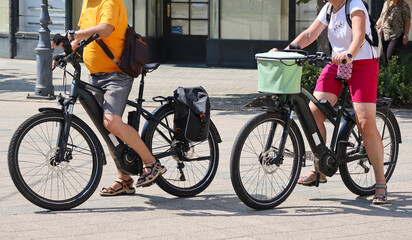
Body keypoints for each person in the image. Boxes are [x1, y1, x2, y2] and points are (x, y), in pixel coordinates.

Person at [271, 0, 387, 204]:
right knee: (313, 114)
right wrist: (284, 51)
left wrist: (349, 54)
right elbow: (308, 35)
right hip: (337, 64)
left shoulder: (354, 5)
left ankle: (380, 181)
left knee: (365, 123)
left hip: (362, 64)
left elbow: (359, 36)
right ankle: (320, 168)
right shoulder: (328, 9)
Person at [51, 0, 166, 196]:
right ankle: (124, 180)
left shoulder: (110, 2)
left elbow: (105, 29)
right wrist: (66, 51)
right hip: (95, 75)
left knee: (111, 122)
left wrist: (72, 34)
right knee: (106, 130)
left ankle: (151, 162)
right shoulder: (87, 3)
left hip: (117, 74)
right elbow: (83, 34)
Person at [376, 0, 411, 64]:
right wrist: (374, 28)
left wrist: (406, 34)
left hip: (397, 34)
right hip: (384, 35)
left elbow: (407, 21)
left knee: (391, 57)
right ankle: (387, 73)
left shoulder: (403, 5)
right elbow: (381, 18)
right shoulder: (386, 3)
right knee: (383, 60)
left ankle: (397, 72)